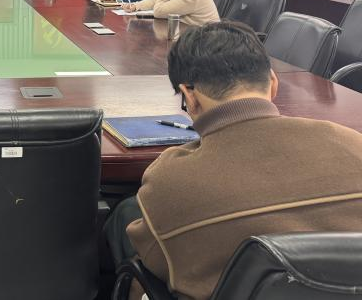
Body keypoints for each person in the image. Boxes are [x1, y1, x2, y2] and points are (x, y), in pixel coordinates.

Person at [104, 21, 362, 299]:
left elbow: (155, 262)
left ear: (190, 97)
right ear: (273, 83)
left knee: (127, 218)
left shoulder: (172, 180)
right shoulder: (352, 143)